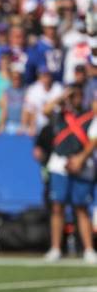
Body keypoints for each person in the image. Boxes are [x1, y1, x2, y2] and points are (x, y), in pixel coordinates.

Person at [40, 85, 96, 263]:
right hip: (59, 165)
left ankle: (88, 249)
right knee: (57, 206)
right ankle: (55, 248)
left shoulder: (90, 116)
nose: (75, 99)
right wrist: (62, 97)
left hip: (82, 165)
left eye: (78, 96)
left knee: (81, 207)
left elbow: (93, 141)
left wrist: (80, 159)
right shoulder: (60, 115)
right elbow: (45, 110)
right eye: (72, 96)